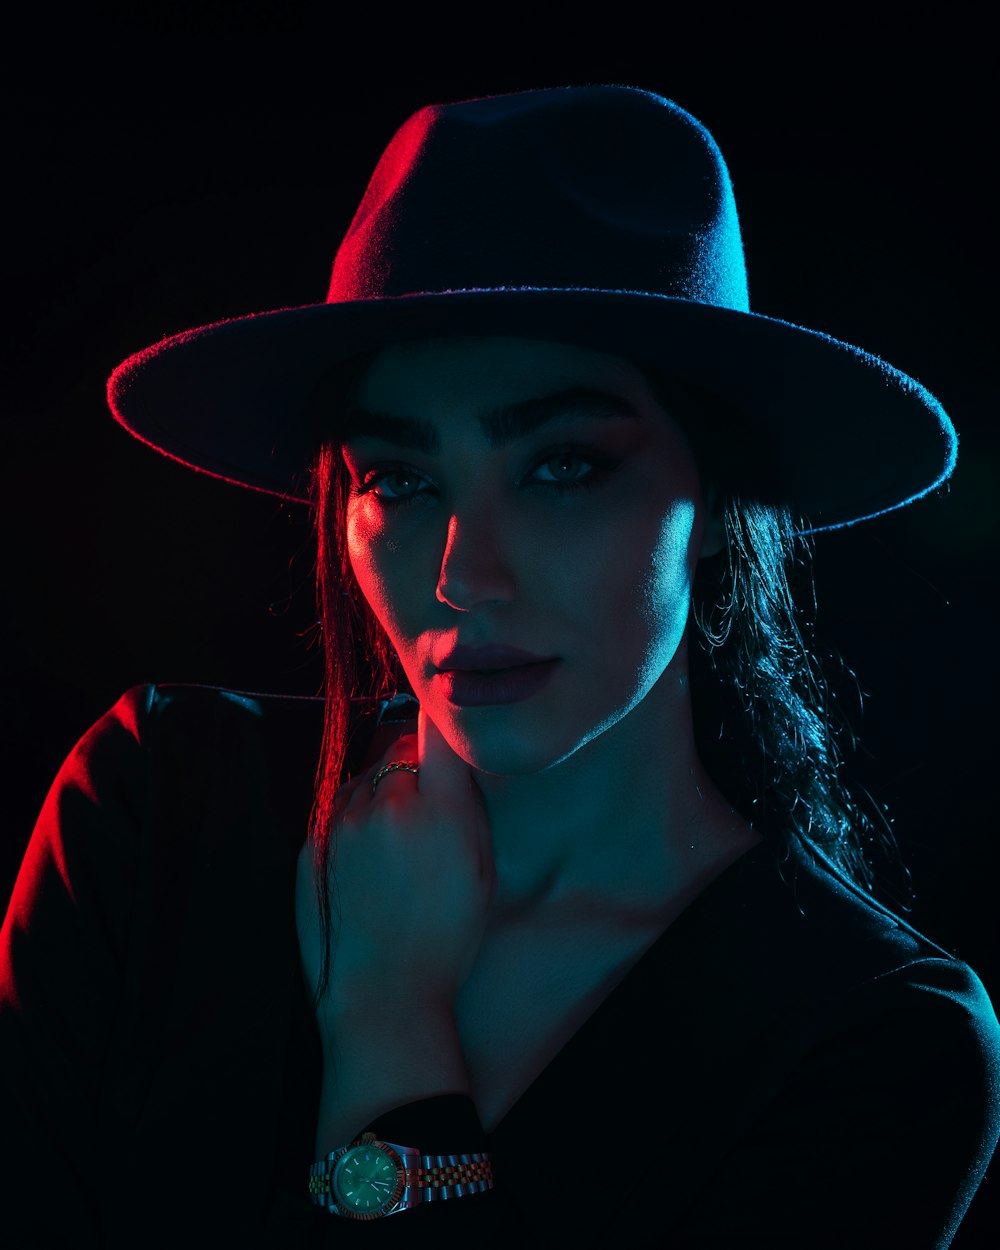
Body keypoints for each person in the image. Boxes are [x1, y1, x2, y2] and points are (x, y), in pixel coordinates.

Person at [2, 85, 998, 1248]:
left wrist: (389, 1025)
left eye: (564, 465)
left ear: (723, 497)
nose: (465, 577)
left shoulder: (871, 1033)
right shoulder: (162, 802)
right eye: (399, 478)